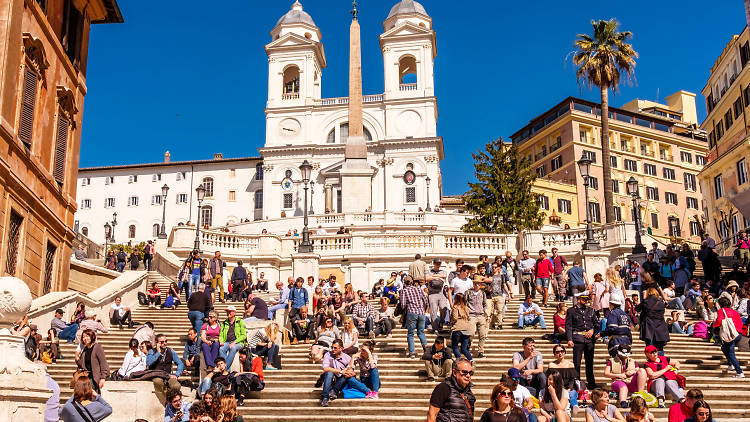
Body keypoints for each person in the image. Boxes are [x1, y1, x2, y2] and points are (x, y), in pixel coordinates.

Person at [319, 339, 373, 407]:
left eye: (335, 348)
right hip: (331, 379)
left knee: (347, 375)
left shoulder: (346, 357)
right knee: (329, 373)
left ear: (341, 348)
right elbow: (325, 368)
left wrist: (351, 373)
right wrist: (340, 371)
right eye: (332, 347)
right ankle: (325, 397)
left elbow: (351, 369)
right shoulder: (328, 355)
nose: (333, 349)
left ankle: (334, 391)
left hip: (342, 381)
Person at [566, 292, 599, 389]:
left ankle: (591, 383)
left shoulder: (591, 310)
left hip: (589, 340)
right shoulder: (571, 311)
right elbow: (568, 326)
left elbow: (596, 324)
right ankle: (577, 384)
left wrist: (593, 330)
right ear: (579, 299)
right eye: (584, 299)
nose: (586, 301)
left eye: (587, 299)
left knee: (589, 362)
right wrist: (569, 339)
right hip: (578, 338)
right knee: (577, 363)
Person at [427, 358, 476, 422]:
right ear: (454, 372)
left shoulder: (468, 392)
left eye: (470, 373)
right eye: (464, 372)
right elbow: (432, 415)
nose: (468, 375)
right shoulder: (443, 388)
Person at [604, 344, 646, 408]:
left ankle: (640, 395)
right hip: (618, 382)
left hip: (631, 382)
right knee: (623, 387)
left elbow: (638, 369)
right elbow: (606, 373)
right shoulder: (611, 361)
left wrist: (633, 371)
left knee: (642, 371)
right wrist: (618, 375)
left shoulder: (632, 361)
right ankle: (623, 403)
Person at [147, 334, 184, 404]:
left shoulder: (170, 351)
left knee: (176, 385)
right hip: (156, 375)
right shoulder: (152, 351)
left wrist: (177, 374)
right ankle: (167, 403)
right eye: (162, 342)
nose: (165, 343)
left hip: (167, 375)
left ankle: (172, 402)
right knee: (158, 382)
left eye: (166, 341)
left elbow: (180, 363)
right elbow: (149, 363)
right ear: (157, 343)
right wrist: (158, 353)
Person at [714, 296, 744, 378]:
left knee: (731, 353)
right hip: (738, 334)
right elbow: (741, 323)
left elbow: (719, 321)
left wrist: (714, 326)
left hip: (730, 334)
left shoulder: (721, 311)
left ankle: (739, 372)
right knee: (724, 348)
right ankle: (731, 364)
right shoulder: (735, 312)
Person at [401, 275, 429, 359]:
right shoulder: (418, 289)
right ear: (412, 282)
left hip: (412, 312)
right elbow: (426, 300)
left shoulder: (404, 290)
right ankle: (426, 350)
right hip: (421, 312)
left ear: (404, 283)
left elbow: (403, 304)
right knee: (421, 332)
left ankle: (412, 352)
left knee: (410, 333)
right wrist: (423, 309)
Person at [75, 328, 109, 394]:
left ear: (92, 337)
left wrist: (103, 378)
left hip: (94, 378)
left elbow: (103, 363)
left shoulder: (97, 347)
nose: (85, 338)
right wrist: (76, 357)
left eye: (87, 336)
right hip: (87, 377)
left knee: (92, 398)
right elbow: (82, 365)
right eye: (83, 337)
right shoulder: (85, 349)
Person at [426, 258, 450, 332]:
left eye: (439, 263)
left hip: (441, 293)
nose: (438, 265)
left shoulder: (443, 271)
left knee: (444, 308)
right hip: (432, 293)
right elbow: (427, 278)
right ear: (434, 263)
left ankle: (441, 322)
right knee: (433, 311)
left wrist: (433, 277)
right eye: (436, 263)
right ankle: (435, 327)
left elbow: (445, 276)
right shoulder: (428, 271)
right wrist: (439, 277)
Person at [466, 279, 488, 357]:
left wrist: (486, 312)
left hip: (481, 315)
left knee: (482, 335)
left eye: (478, 284)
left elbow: (485, 303)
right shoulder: (468, 292)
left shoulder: (483, 293)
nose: (477, 285)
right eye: (475, 284)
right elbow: (465, 303)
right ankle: (467, 345)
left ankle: (481, 351)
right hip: (471, 315)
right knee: (471, 333)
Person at [488, 262, 512, 330]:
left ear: (498, 268)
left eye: (495, 267)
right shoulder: (489, 275)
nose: (493, 269)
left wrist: (508, 294)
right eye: (492, 267)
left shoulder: (501, 276)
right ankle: (492, 324)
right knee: (491, 311)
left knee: (499, 311)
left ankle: (500, 324)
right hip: (491, 296)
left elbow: (504, 285)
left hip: (499, 295)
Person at [450, 293, 473, 361]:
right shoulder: (466, 308)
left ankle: (459, 361)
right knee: (464, 349)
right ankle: (471, 360)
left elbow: (455, 317)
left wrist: (452, 321)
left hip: (458, 328)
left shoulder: (455, 307)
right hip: (467, 329)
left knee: (455, 347)